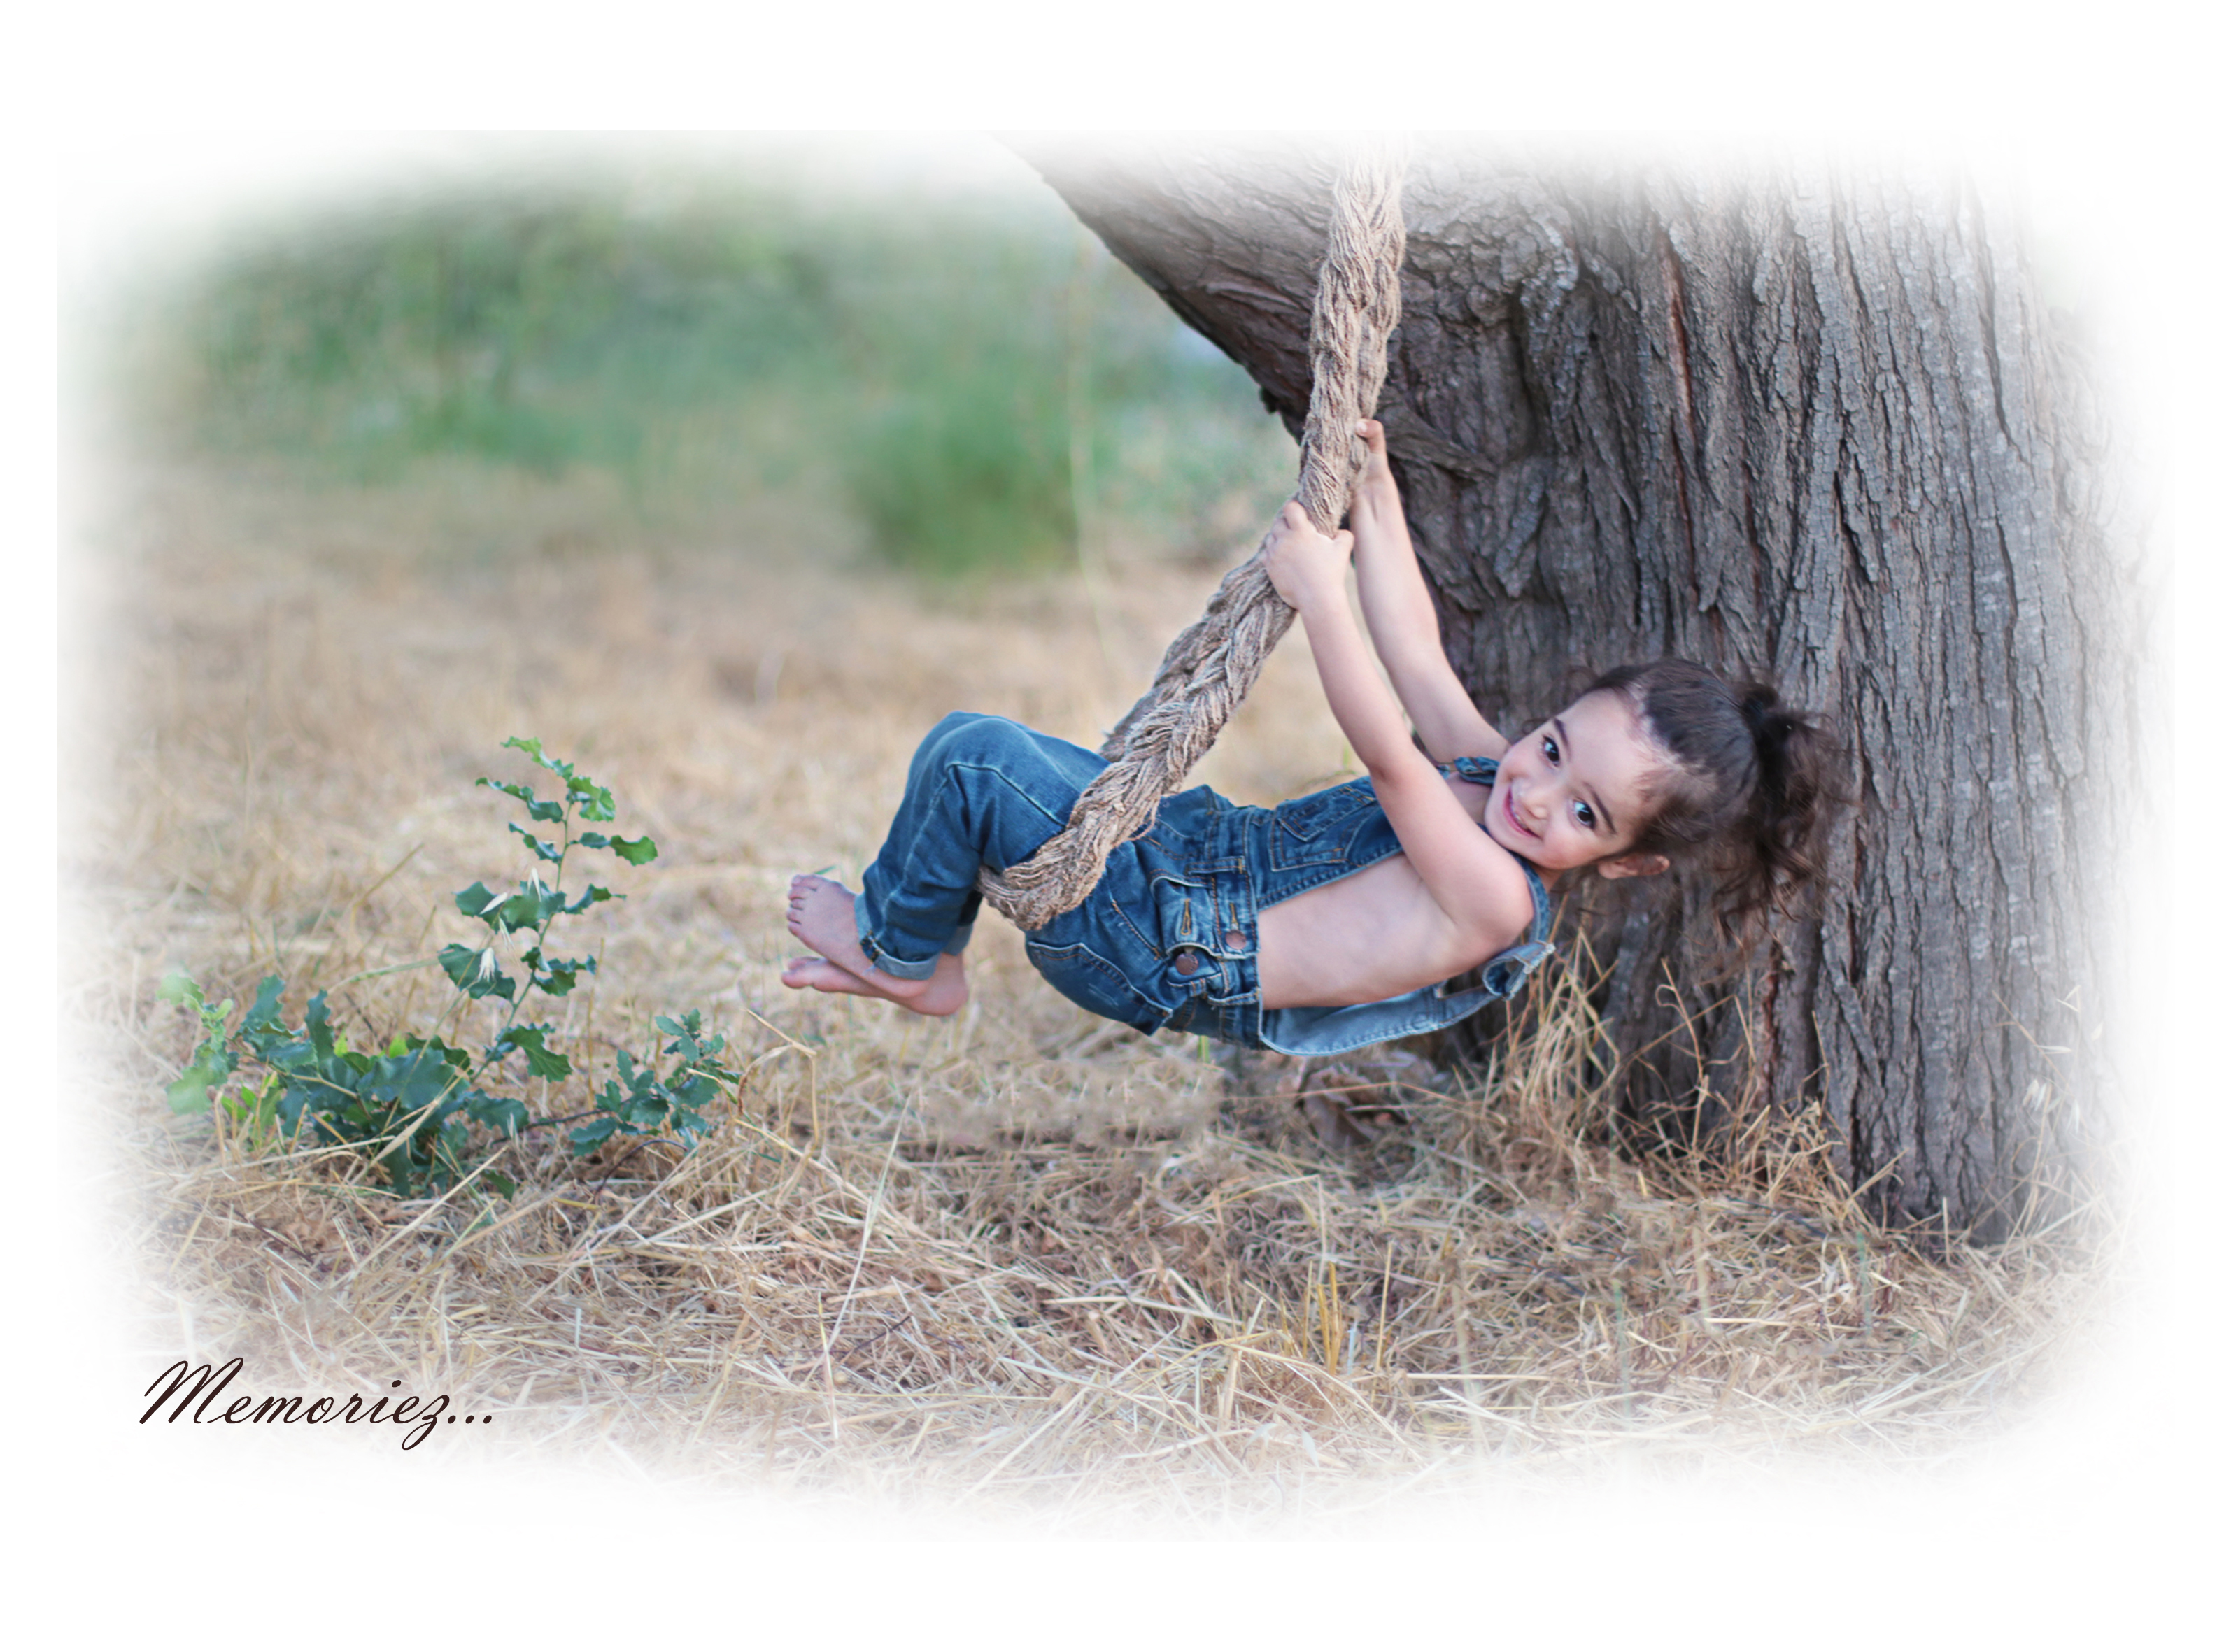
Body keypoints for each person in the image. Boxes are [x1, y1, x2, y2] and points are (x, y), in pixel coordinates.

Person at [780, 420, 1839, 1056]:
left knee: (972, 756)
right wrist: (1374, 498)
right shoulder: (1491, 769)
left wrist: (1316, 599)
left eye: (1584, 814)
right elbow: (1416, 652)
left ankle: (906, 954)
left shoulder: (1496, 895)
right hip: (1175, 860)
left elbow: (1386, 752)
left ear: (1627, 861)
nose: (1535, 793)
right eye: (1555, 749)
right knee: (995, 752)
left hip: (1153, 944)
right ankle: (919, 939)